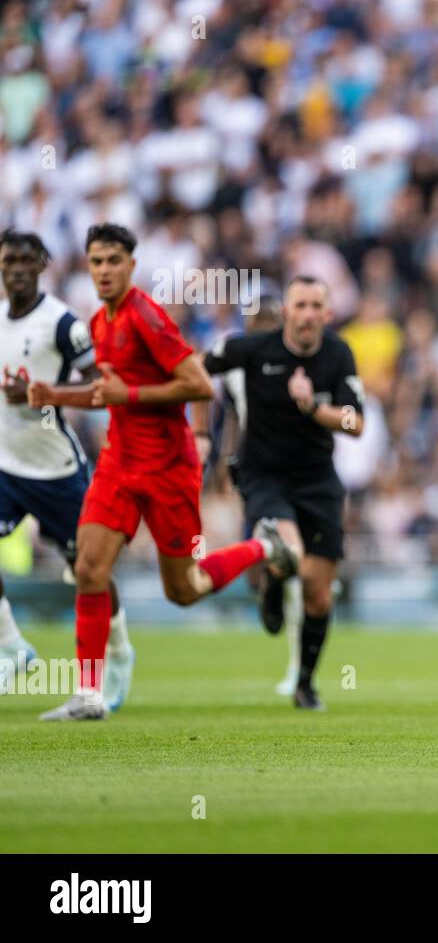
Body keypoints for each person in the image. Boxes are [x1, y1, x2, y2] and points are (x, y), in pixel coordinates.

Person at [28, 223, 296, 721]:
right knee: (87, 568)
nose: (103, 270)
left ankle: (264, 547)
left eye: (113, 261)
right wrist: (51, 395)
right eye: (96, 261)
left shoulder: (146, 318)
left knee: (184, 590)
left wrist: (128, 398)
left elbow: (197, 384)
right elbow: (104, 392)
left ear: (131, 265)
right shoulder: (100, 321)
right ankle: (88, 695)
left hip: (168, 470)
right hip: (118, 462)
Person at [197, 276, 364, 710]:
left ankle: (305, 683)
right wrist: (200, 433)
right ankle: (272, 579)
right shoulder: (252, 349)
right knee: (288, 550)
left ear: (327, 315)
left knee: (319, 592)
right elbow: (195, 369)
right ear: (286, 311)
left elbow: (355, 423)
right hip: (264, 476)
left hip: (317, 480)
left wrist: (314, 408)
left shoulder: (338, 353)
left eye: (316, 306)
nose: (308, 314)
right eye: (300, 305)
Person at [0, 229, 134, 710]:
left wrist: (46, 391)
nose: (15, 268)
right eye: (8, 259)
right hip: (5, 466)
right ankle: (12, 646)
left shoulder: (63, 324)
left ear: (43, 264)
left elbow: (103, 384)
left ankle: (118, 652)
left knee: (88, 570)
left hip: (56, 471)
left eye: (25, 260)